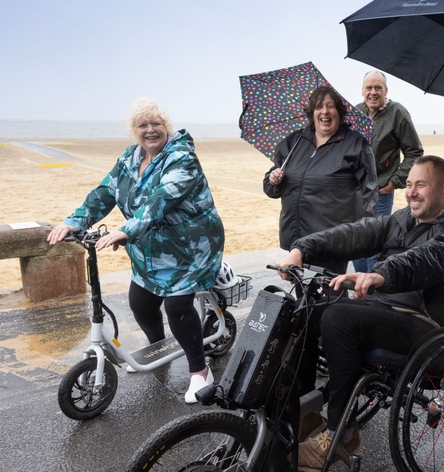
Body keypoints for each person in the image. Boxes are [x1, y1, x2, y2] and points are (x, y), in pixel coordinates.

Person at [275, 155, 444, 471]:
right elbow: (355, 232)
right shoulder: (401, 220)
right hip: (381, 311)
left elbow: (427, 260)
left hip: (426, 331)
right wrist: (301, 249)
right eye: (408, 184)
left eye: (420, 185)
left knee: (337, 318)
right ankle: (304, 414)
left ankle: (343, 433)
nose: (411, 192)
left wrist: (381, 274)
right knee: (305, 309)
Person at [47, 97, 225, 404]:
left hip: (190, 246)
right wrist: (74, 222)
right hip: (150, 247)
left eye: (156, 124)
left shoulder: (182, 158)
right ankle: (159, 350)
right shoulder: (130, 159)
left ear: (166, 127)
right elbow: (103, 193)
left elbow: (160, 200)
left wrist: (125, 230)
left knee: (177, 307)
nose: (150, 130)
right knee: (140, 302)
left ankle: (200, 371)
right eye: (143, 125)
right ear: (134, 131)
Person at [263, 85, 377, 276]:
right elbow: (271, 188)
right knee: (302, 298)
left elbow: (368, 193)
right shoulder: (293, 142)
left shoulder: (355, 144)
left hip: (332, 242)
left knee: (331, 298)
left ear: (339, 113)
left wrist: (361, 236)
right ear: (312, 113)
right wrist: (272, 180)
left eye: (330, 106)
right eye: (318, 106)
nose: (324, 111)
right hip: (296, 238)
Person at [352, 70, 424, 272]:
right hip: (355, 192)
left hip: (381, 191)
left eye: (378, 88)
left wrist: (394, 181)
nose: (373, 92)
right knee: (356, 240)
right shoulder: (356, 113)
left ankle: (373, 293)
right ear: (362, 90)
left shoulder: (397, 112)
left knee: (374, 241)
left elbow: (414, 152)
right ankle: (360, 289)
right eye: (369, 88)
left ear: (386, 90)